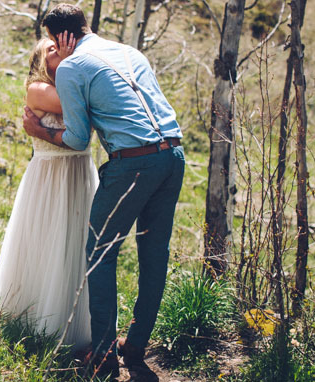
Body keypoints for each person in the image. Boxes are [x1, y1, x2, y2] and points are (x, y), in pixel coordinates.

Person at [22, 4, 185, 380]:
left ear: (58, 37)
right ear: (85, 25)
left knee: (99, 255)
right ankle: (137, 347)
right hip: (174, 155)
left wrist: (41, 132)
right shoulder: (129, 51)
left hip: (134, 164)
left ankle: (104, 356)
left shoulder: (75, 67)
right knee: (153, 254)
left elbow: (78, 138)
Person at [0, 38, 98, 351]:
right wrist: (71, 63)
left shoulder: (72, 80)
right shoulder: (37, 88)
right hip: (50, 176)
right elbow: (76, 105)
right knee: (46, 240)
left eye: (64, 47)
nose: (62, 51)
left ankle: (74, 320)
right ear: (39, 60)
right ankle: (36, 320)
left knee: (75, 243)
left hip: (79, 173)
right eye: (52, 50)